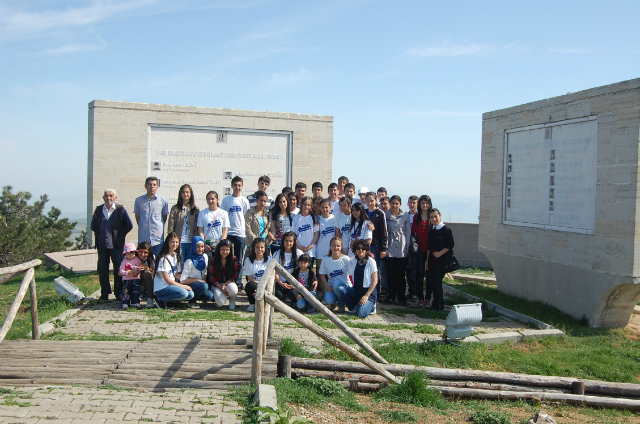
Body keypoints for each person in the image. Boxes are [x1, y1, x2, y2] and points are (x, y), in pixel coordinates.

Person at [91, 188, 134, 300]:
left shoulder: (120, 210)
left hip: (116, 245)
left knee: (118, 269)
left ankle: (118, 292)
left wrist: (120, 235)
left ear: (115, 198)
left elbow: (129, 225)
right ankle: (105, 292)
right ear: (103, 198)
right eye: (106, 196)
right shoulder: (99, 210)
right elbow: (93, 225)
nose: (108, 198)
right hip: (102, 245)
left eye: (111, 196)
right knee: (102, 269)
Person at [220, 176, 250, 289]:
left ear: (241, 187)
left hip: (240, 233)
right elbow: (223, 215)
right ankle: (227, 280)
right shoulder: (226, 200)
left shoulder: (244, 201)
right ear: (232, 186)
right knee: (227, 259)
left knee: (239, 259)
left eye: (239, 185)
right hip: (228, 232)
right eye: (235, 185)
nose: (237, 187)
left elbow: (245, 216)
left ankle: (238, 282)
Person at [153, 232, 192, 308]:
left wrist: (189, 280)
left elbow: (176, 274)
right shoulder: (163, 258)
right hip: (162, 287)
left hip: (171, 285)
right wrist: (182, 286)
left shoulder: (176, 256)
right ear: (168, 243)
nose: (175, 244)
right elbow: (167, 279)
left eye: (177, 242)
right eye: (172, 242)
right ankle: (160, 299)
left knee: (190, 294)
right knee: (183, 293)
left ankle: (169, 301)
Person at [385, 195, 412, 306]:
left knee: (401, 275)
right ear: (390, 204)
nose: (394, 205)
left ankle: (401, 297)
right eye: (393, 203)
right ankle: (391, 296)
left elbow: (408, 233)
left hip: (401, 248)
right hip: (390, 247)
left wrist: (407, 248)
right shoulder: (386, 215)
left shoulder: (405, 215)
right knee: (390, 274)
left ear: (400, 204)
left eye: (397, 203)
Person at [134, 177, 169, 258]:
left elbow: (164, 217)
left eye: (154, 185)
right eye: (150, 184)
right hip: (143, 238)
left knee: (157, 262)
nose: (152, 186)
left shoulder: (163, 201)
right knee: (142, 263)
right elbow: (138, 217)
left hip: (157, 240)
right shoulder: (139, 200)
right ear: (145, 186)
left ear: (157, 187)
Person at [427, 209, 454, 312]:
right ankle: (437, 303)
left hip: (442, 261)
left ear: (440, 216)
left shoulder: (446, 229)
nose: (434, 219)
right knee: (433, 282)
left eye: (435, 216)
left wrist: (439, 253)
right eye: (431, 217)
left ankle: (438, 305)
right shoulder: (432, 230)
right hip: (432, 261)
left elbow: (450, 245)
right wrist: (427, 261)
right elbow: (429, 246)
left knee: (437, 282)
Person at [167, 184, 199, 267]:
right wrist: (171, 238)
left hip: (190, 241)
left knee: (189, 263)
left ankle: (188, 280)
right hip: (178, 242)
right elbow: (171, 225)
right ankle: (178, 280)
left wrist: (195, 240)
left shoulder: (195, 209)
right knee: (179, 263)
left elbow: (197, 226)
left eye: (187, 192)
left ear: (191, 194)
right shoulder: (175, 208)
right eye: (183, 192)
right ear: (180, 194)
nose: (185, 194)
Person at [345, 239, 379, 318]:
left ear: (367, 250)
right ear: (355, 250)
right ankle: (354, 306)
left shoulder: (371, 262)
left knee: (361, 314)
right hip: (357, 290)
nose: (361, 250)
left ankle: (372, 306)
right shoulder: (352, 260)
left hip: (368, 292)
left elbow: (375, 281)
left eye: (363, 248)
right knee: (340, 290)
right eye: (358, 248)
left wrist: (366, 295)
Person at [180, 236, 214, 308]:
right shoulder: (189, 261)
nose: (200, 249)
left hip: (201, 284)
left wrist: (203, 281)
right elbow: (182, 280)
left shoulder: (205, 257)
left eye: (202, 246)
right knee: (204, 286)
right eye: (198, 247)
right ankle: (191, 302)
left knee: (210, 296)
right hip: (190, 284)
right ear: (193, 247)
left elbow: (205, 272)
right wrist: (198, 280)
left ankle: (196, 295)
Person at [318, 237, 352, 311]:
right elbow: (322, 276)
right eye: (333, 245)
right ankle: (334, 303)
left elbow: (352, 274)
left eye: (338, 246)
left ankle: (341, 304)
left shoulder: (346, 259)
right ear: (330, 246)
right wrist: (327, 287)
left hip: (344, 287)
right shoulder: (325, 259)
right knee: (328, 300)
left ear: (341, 247)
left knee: (336, 283)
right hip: (332, 287)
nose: (336, 248)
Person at [412, 195, 433, 307]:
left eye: (427, 203)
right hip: (420, 250)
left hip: (431, 251)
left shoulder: (432, 217)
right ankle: (420, 298)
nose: (425, 205)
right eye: (423, 203)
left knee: (429, 276)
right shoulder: (417, 217)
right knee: (420, 275)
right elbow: (413, 233)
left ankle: (428, 298)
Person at [207, 239, 239, 310]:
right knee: (220, 302)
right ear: (219, 249)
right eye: (222, 249)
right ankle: (219, 298)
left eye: (227, 250)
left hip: (228, 283)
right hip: (216, 284)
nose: (225, 252)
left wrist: (225, 285)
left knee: (233, 289)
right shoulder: (213, 260)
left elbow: (234, 276)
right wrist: (220, 286)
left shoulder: (234, 259)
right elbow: (211, 277)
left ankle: (232, 300)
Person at [273, 232, 303, 304]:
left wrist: (295, 283)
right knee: (279, 295)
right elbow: (274, 272)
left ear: (294, 242)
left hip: (293, 281)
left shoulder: (299, 253)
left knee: (293, 294)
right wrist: (281, 283)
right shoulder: (277, 254)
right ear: (283, 241)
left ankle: (291, 298)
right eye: (286, 241)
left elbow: (303, 271)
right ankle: (284, 297)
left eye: (290, 241)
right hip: (281, 281)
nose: (288, 243)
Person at [243, 237, 270, 312]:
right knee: (249, 285)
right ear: (253, 248)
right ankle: (252, 304)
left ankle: (265, 303)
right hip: (254, 284)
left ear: (265, 248)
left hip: (266, 284)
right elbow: (249, 277)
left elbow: (271, 276)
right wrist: (259, 286)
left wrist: (262, 285)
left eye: (262, 247)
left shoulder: (269, 260)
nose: (259, 249)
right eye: (257, 247)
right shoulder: (248, 260)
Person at [292, 197, 319, 265]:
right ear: (301, 204)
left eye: (308, 205)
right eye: (304, 204)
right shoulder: (295, 218)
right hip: (299, 249)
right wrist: (298, 245)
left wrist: (311, 245)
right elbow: (293, 234)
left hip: (310, 250)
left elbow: (316, 234)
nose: (306, 207)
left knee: (309, 270)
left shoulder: (314, 218)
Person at [245, 190, 272, 255]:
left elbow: (272, 229)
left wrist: (266, 242)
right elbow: (247, 229)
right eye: (261, 200)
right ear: (256, 200)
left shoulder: (268, 214)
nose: (262, 203)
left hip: (266, 245)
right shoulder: (249, 213)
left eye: (264, 201)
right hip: (252, 244)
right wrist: (257, 242)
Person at [118, 243, 143, 309]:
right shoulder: (124, 261)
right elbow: (121, 271)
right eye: (128, 253)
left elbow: (141, 266)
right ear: (125, 254)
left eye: (132, 253)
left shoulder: (137, 259)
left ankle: (136, 302)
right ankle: (125, 303)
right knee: (126, 292)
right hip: (127, 280)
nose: (131, 255)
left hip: (136, 279)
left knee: (136, 291)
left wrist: (137, 270)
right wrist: (127, 273)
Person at [315, 199, 335, 274]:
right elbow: (316, 235)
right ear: (319, 208)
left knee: (331, 274)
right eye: (322, 207)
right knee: (321, 274)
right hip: (320, 251)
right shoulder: (317, 219)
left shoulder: (334, 218)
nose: (324, 209)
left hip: (332, 251)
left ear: (330, 207)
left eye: (326, 207)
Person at [406, 195, 419, 301]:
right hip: (406, 246)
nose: (412, 205)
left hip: (416, 247)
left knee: (415, 271)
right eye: (410, 202)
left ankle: (415, 292)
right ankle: (410, 291)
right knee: (408, 270)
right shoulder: (405, 216)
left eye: (414, 203)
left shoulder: (419, 217)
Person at [136, 241, 156, 308]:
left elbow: (154, 273)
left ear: (149, 253)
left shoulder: (151, 258)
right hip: (134, 282)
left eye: (145, 252)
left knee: (147, 273)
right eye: (140, 251)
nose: (142, 254)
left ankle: (149, 298)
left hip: (146, 283)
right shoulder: (131, 256)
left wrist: (146, 267)